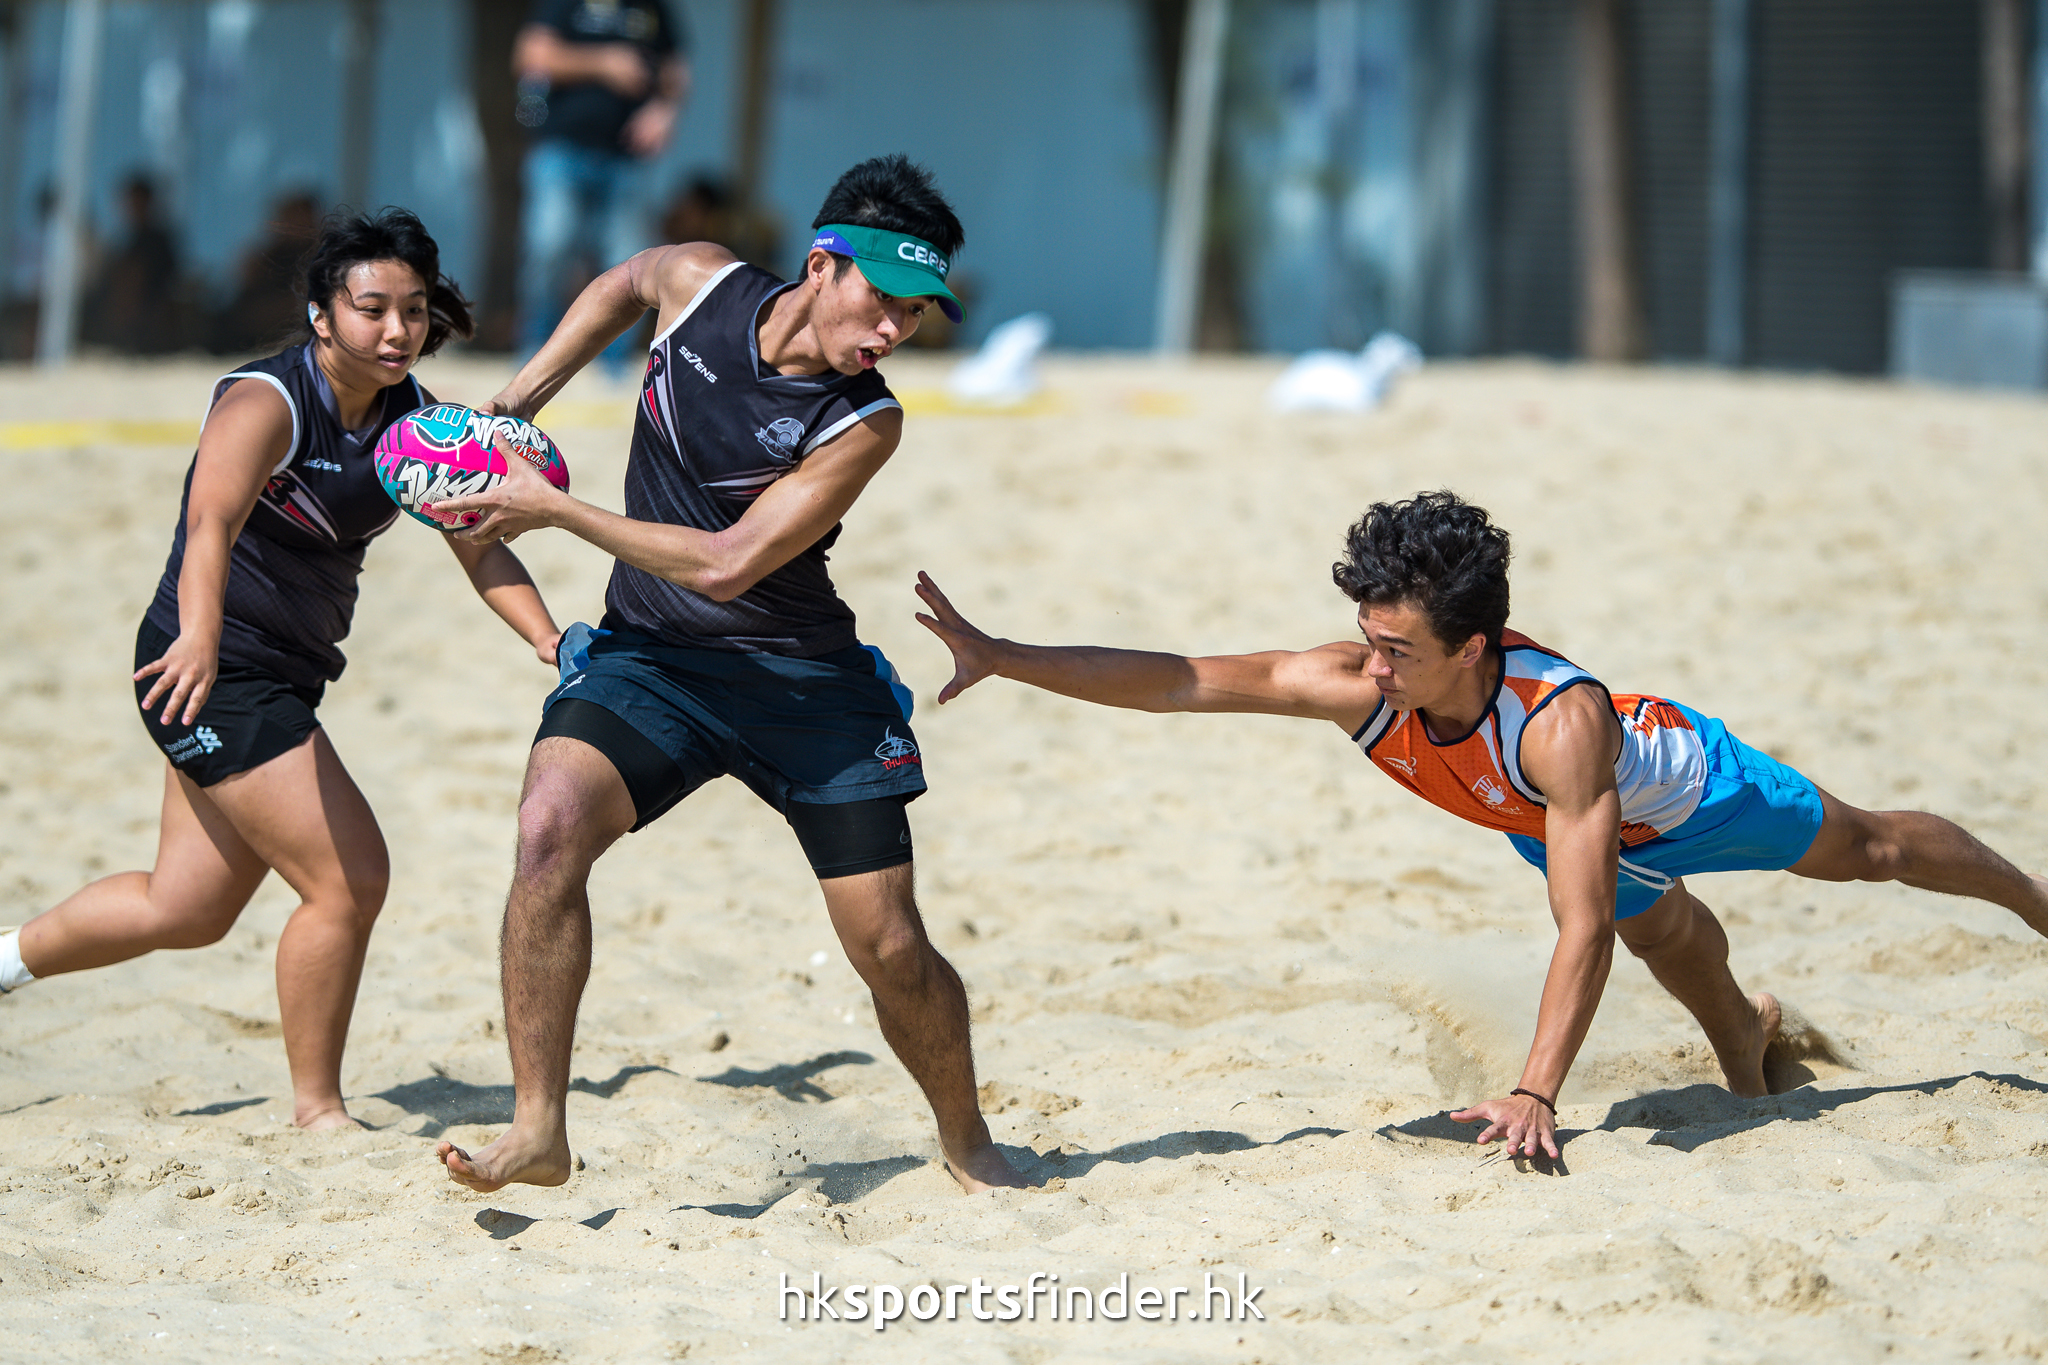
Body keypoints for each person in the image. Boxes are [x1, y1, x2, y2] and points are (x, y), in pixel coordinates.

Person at [912, 490, 2048, 1161]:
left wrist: (1535, 1093)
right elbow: (1177, 681)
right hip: (1541, 820)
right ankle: (1746, 1055)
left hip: (1678, 791)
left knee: (1870, 853)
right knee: (1672, 946)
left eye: (1395, 646)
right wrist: (1006, 657)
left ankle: (2035, 902)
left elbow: (1578, 930)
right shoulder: (1360, 678)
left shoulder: (1557, 724)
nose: (1368, 663)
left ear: (1472, 648)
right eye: (1364, 634)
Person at [427, 154, 1025, 1195]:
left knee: (886, 946)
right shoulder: (700, 281)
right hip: (652, 661)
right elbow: (623, 283)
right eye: (881, 299)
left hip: (804, 689)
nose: (891, 330)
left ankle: (967, 1139)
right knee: (546, 831)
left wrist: (552, 508)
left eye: (916, 314)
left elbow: (727, 563)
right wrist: (513, 406)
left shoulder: (862, 420)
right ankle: (537, 1129)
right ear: (821, 264)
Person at [0, 210, 564, 1131]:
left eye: (413, 311)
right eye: (372, 308)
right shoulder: (268, 401)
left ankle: (6, 958)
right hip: (209, 667)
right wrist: (197, 638)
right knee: (348, 880)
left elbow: (477, 547)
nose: (395, 331)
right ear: (320, 314)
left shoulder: (415, 424)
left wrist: (548, 640)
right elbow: (210, 520)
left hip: (279, 678)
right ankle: (318, 1113)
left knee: (183, 906)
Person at [513, 0, 689, 368]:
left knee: (627, 261)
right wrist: (603, 63)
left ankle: (612, 361)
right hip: (561, 149)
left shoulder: (655, 8)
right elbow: (530, 56)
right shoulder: (564, 5)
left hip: (629, 156)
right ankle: (536, 348)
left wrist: (663, 112)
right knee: (551, 246)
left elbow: (676, 71)